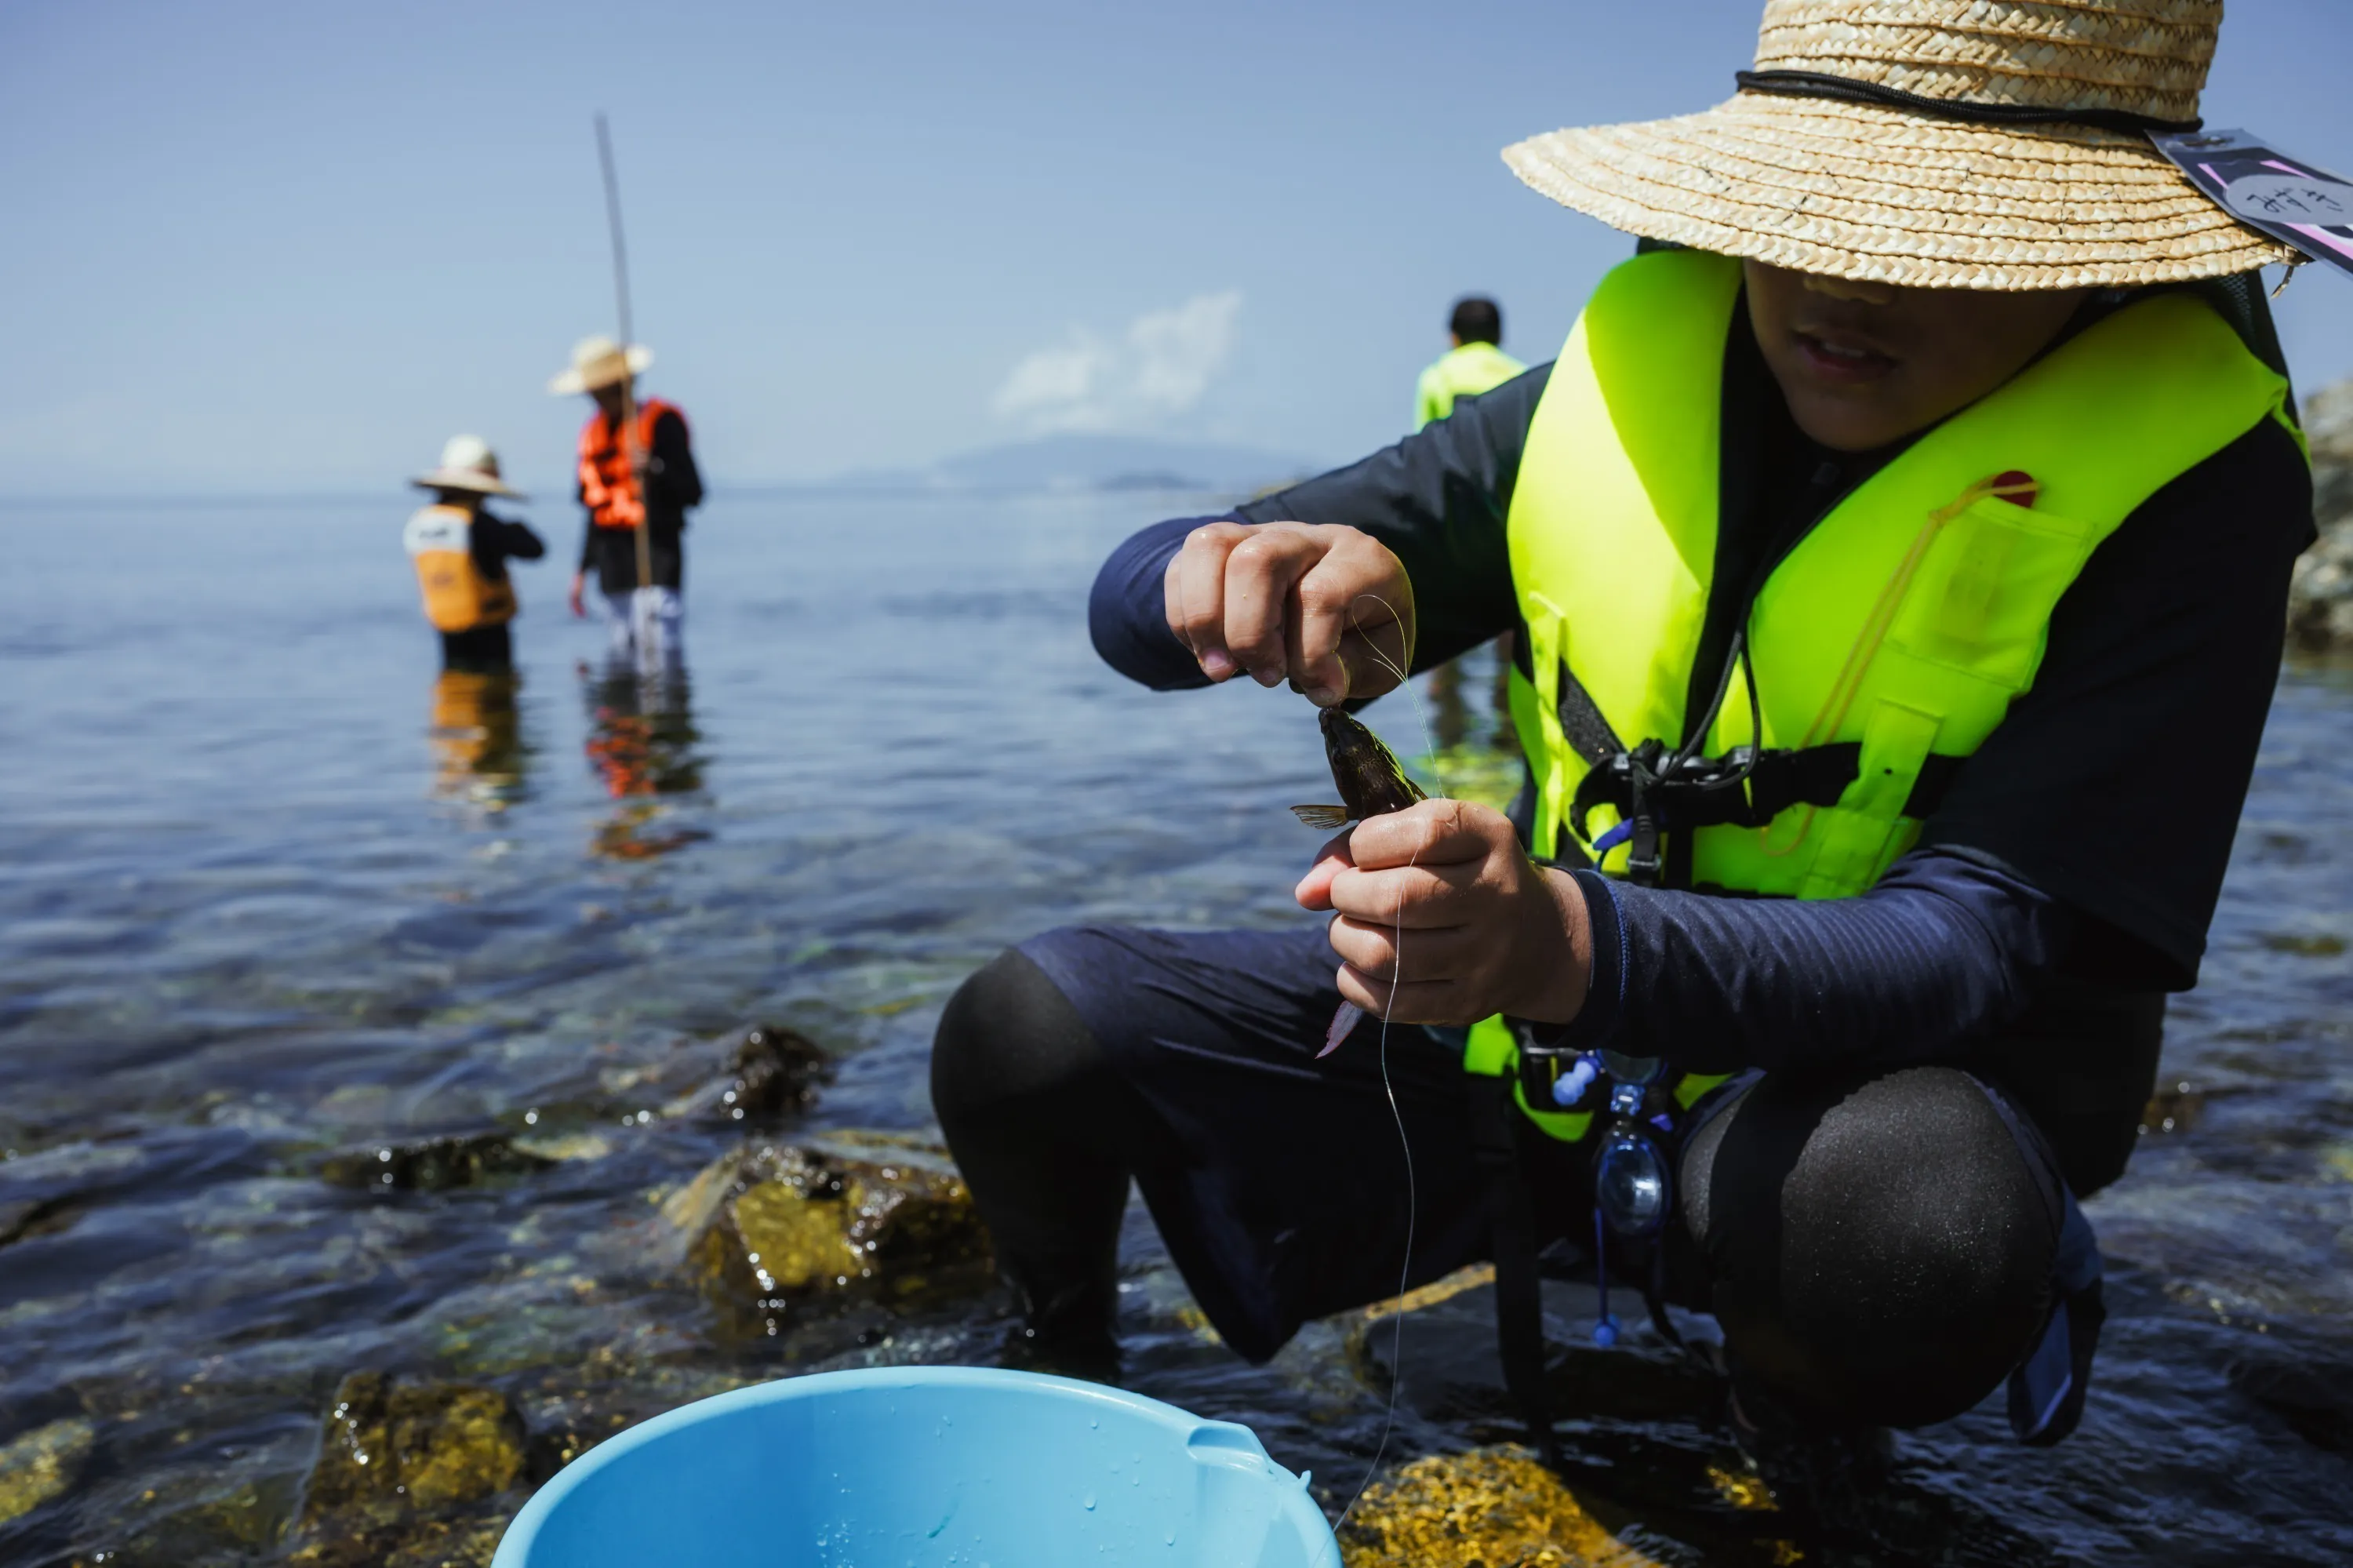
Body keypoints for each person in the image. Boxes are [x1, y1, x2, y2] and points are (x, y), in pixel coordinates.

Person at [931, 0, 2315, 1483]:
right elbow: (1132, 607)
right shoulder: (1635, 363)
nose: (1844, 290)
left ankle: (1792, 1448)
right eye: (1805, 215)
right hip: (1548, 1065)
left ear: (2091, 257)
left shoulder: (2199, 485)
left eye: (1929, 249)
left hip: (1836, 1114)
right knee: (1034, 1026)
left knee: (1917, 1218)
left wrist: (1568, 945)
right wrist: (1196, 575)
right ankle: (1064, 1374)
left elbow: (1982, 943)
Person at [551, 335, 704, 668]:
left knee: (663, 660)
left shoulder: (661, 422)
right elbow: (594, 509)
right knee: (622, 661)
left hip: (657, 560)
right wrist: (581, 570)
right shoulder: (592, 434)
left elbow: (693, 492)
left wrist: (655, 469)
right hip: (612, 566)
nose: (597, 398)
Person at [402, 435, 544, 671]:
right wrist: (516, 528)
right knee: (495, 694)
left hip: (446, 630)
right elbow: (535, 549)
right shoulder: (481, 524)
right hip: (489, 634)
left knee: (456, 687)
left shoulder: (421, 522)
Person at [1413, 297, 1526, 431]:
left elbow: (1423, 443)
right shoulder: (1522, 375)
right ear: (1499, 335)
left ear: (1454, 337)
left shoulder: (1437, 376)